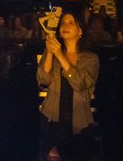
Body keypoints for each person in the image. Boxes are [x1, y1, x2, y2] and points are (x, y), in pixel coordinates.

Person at [37, 12, 100, 161]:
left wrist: (59, 54)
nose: (65, 25)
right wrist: (50, 52)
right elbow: (43, 79)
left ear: (80, 31)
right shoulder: (53, 51)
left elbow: (80, 83)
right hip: (52, 121)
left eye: (71, 22)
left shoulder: (90, 59)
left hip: (78, 124)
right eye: (63, 23)